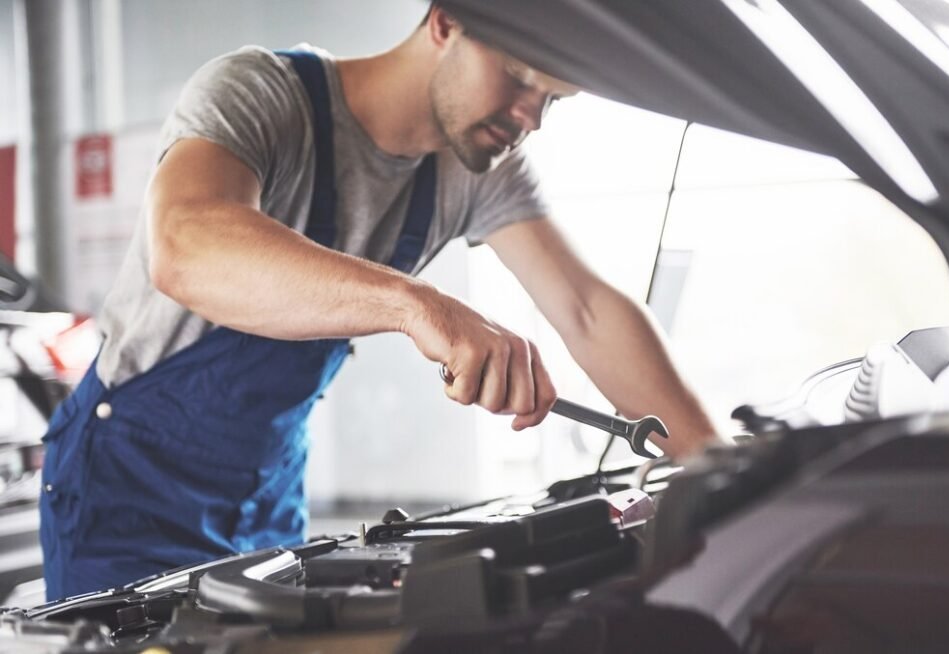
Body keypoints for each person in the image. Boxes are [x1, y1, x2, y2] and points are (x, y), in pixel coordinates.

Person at [39, 5, 716, 600]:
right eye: (519, 77)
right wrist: (416, 304)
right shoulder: (260, 94)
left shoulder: (479, 170)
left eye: (554, 100)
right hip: (125, 489)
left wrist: (721, 473)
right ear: (445, 21)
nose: (531, 118)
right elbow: (184, 244)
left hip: (265, 490)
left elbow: (588, 310)